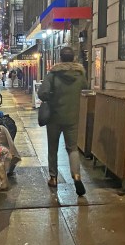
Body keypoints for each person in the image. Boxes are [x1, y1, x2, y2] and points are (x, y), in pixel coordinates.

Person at [37, 47, 88, 195]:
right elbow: (85, 86)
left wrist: (52, 97)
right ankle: (77, 176)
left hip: (54, 117)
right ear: (73, 58)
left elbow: (42, 93)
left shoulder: (53, 74)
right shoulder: (80, 74)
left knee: (52, 148)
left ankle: (53, 178)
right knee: (72, 148)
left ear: (60, 58)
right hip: (72, 117)